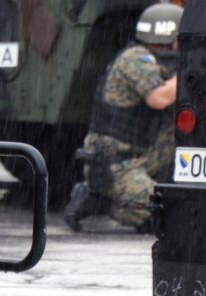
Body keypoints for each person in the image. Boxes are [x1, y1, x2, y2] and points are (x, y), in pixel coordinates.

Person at [63, 2, 183, 232]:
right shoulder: (135, 58)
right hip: (116, 163)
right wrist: (189, 75)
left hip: (141, 156)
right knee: (164, 212)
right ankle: (97, 200)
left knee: (183, 206)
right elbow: (159, 98)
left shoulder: (158, 61)